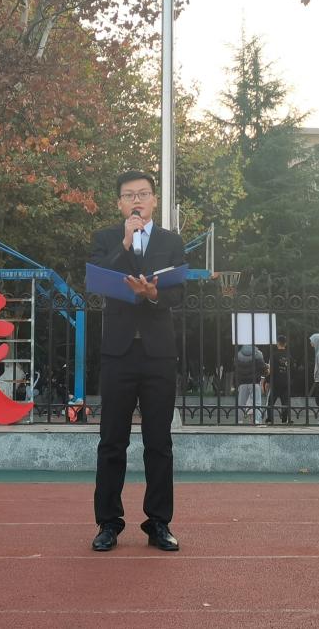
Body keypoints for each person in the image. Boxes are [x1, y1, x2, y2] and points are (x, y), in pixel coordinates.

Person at [89, 170, 186, 553]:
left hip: (158, 354)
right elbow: (99, 281)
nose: (137, 201)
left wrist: (153, 294)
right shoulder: (106, 239)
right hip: (119, 353)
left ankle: (159, 522)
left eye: (143, 194)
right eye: (129, 195)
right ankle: (108, 523)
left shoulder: (171, 241)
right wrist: (125, 243)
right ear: (119, 203)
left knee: (158, 442)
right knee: (112, 441)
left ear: (154, 201)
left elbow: (179, 293)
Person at [234, 344, 267, 425]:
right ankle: (256, 420)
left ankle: (239, 420)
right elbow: (262, 368)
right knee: (256, 402)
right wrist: (266, 370)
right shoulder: (258, 353)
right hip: (254, 381)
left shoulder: (238, 354)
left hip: (242, 382)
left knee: (241, 403)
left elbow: (235, 367)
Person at [267, 335, 294, 425]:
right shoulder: (289, 356)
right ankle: (285, 420)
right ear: (285, 344)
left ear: (277, 343)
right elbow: (292, 369)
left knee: (271, 402)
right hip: (286, 382)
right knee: (285, 402)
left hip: (275, 381)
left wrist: (267, 381)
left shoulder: (273, 355)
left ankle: (270, 419)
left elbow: (270, 370)